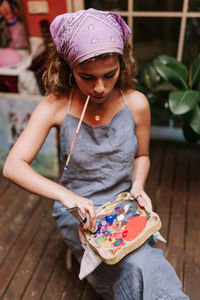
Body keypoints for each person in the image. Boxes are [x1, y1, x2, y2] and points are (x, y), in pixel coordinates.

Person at [3, 8, 189, 300]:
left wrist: (138, 187)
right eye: (86, 77)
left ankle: (86, 263)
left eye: (109, 75)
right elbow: (13, 166)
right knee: (134, 266)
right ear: (68, 67)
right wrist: (68, 197)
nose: (99, 87)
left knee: (141, 265)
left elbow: (142, 156)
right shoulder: (55, 105)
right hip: (77, 212)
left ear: (122, 64)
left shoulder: (137, 103)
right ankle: (82, 256)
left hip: (123, 206)